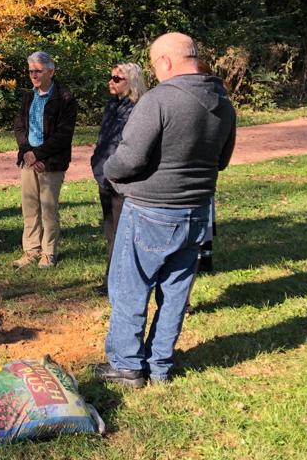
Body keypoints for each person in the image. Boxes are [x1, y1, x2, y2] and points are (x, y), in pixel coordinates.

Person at [92, 32, 236, 387]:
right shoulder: (222, 101)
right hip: (198, 212)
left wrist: (109, 170)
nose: (155, 72)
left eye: (156, 64)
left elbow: (128, 159)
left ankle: (127, 365)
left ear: (166, 62)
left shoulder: (159, 99)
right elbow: (223, 160)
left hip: (151, 211)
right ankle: (159, 366)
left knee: (130, 287)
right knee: (175, 292)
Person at [12, 51, 77, 269]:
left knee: (48, 209)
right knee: (29, 208)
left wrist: (39, 155)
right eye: (30, 71)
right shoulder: (28, 96)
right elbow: (19, 127)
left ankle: (48, 253)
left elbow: (63, 134)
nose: (33, 75)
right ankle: (31, 250)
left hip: (51, 162)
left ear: (51, 71)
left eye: (38, 71)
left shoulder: (65, 97)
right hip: (29, 160)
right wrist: (28, 152)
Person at [90, 63, 148, 295]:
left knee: (124, 234)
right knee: (111, 232)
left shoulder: (138, 109)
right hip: (105, 176)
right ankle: (112, 280)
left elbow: (130, 148)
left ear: (132, 82)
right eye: (111, 77)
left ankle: (118, 282)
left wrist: (114, 170)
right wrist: (97, 163)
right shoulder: (113, 105)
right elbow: (106, 139)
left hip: (123, 181)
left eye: (117, 78)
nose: (111, 82)